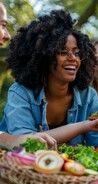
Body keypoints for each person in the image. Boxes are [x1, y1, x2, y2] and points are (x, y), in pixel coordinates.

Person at [0, 9, 98, 147]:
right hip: (16, 167)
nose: (73, 58)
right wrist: (84, 126)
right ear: (44, 56)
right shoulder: (21, 92)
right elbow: (27, 143)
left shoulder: (88, 96)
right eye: (63, 52)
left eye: (77, 52)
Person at [0, 0, 56, 149]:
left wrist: (12, 140)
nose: (7, 36)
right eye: (3, 25)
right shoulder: (20, 92)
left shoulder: (87, 95)